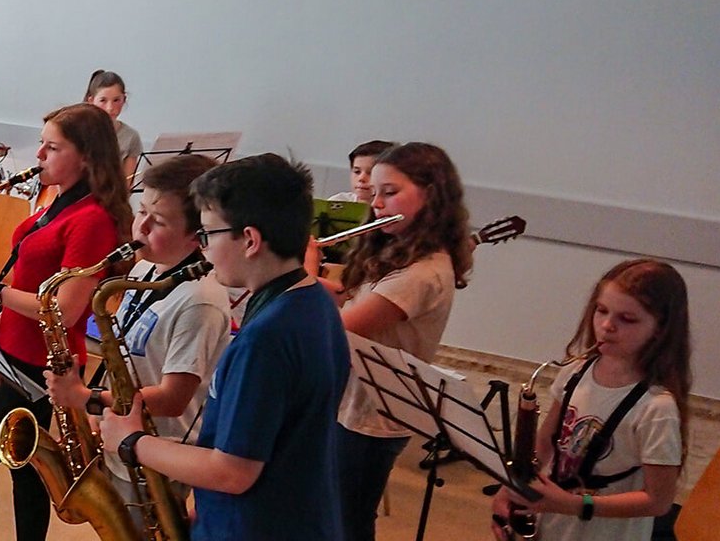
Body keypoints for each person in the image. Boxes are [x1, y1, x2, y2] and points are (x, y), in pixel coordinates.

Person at [98, 153, 348, 539]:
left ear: (250, 239)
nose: (204, 248)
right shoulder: (313, 302)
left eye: (208, 234)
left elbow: (233, 472)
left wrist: (131, 441)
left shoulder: (266, 338)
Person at [0, 103, 133, 540]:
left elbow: (66, 310)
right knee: (23, 470)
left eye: (52, 147)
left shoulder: (92, 220)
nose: (38, 156)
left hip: (38, 365)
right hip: (14, 349)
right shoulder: (60, 202)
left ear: (86, 156)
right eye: (41, 144)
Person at [44, 153, 230, 523]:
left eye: (157, 221)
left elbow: (174, 398)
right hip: (124, 435)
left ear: (198, 235)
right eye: (141, 210)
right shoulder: (145, 269)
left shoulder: (199, 301)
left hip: (160, 457)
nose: (139, 226)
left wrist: (87, 398)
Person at [324, 142, 473, 541]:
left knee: (348, 521)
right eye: (374, 193)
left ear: (431, 194)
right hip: (349, 401)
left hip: (372, 415)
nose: (377, 204)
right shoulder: (397, 252)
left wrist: (300, 268)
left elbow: (338, 328)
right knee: (333, 512)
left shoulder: (423, 273)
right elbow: (350, 297)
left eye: (390, 193)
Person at [490, 259, 691, 541]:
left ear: (660, 329)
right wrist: (509, 491)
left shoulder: (657, 408)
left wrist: (573, 504)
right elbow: (545, 443)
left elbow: (658, 501)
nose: (607, 325)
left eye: (627, 319)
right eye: (601, 310)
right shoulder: (577, 370)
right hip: (554, 525)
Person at [84, 69, 142, 178]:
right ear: (91, 101)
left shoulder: (131, 137)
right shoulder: (78, 132)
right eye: (103, 100)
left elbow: (127, 182)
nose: (110, 108)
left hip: (113, 193)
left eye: (116, 100)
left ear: (124, 100)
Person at [329, 140, 394, 203]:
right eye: (357, 172)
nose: (361, 178)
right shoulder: (338, 201)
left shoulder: (394, 208)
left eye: (370, 172)